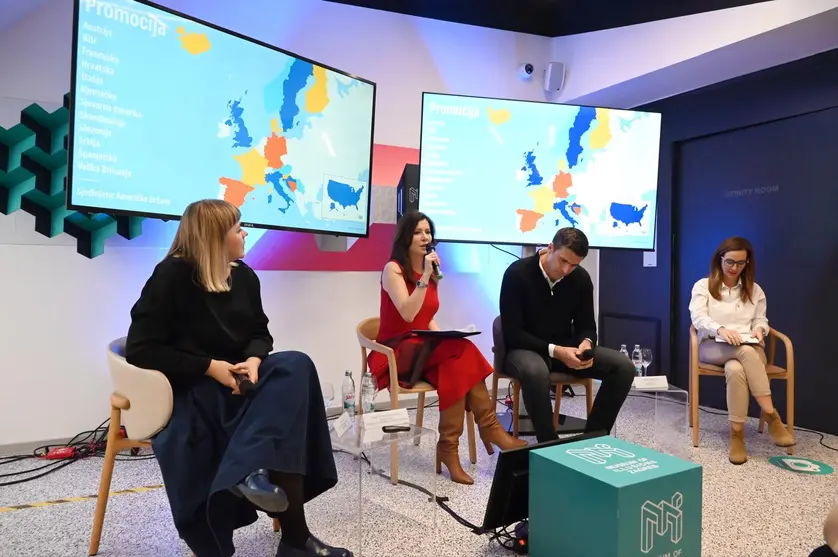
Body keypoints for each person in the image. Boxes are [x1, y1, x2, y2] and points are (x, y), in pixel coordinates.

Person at [125, 199, 350, 557]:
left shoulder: (244, 276)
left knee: (296, 365)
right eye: (237, 228)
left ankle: (253, 474)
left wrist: (254, 360)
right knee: (280, 420)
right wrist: (209, 367)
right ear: (214, 236)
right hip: (196, 387)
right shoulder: (170, 276)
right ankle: (292, 536)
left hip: (241, 380)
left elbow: (260, 333)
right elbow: (141, 349)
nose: (244, 233)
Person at [369, 211, 527, 485]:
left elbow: (426, 316)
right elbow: (408, 313)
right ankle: (488, 429)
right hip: (396, 351)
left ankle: (449, 447)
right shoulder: (393, 269)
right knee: (460, 351)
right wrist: (424, 276)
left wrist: (444, 336)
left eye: (428, 232)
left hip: (421, 348)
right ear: (405, 237)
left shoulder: (430, 272)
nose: (425, 237)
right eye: (418, 232)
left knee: (456, 359)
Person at [499, 227, 635, 443]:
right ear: (550, 248)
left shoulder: (580, 279)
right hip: (525, 348)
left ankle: (592, 440)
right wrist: (556, 351)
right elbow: (513, 332)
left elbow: (587, 326)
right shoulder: (517, 274)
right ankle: (550, 446)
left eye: (573, 265)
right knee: (535, 371)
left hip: (565, 349)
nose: (566, 269)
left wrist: (586, 344)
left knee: (624, 367)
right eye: (563, 260)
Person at [688, 236, 794, 465]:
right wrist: (720, 329)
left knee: (736, 368)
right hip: (714, 347)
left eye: (740, 263)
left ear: (748, 263)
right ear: (720, 259)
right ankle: (772, 416)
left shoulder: (755, 290)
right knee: (744, 353)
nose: (734, 268)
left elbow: (761, 319)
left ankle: (736, 435)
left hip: (751, 348)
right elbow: (698, 318)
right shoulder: (703, 286)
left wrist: (759, 329)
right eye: (730, 262)